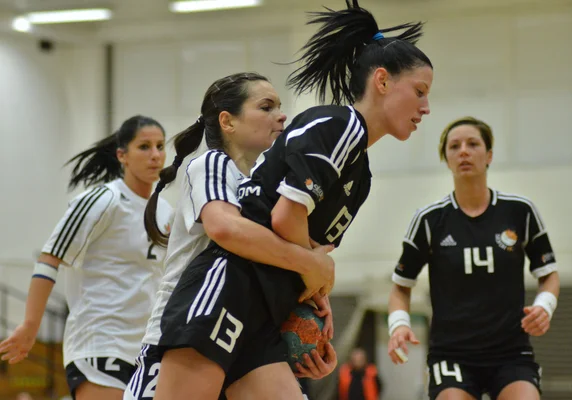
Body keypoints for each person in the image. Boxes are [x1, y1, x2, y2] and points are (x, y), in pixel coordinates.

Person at [155, 0, 433, 399]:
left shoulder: (361, 173)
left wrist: (316, 312)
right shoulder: (337, 126)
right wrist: (317, 272)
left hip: (266, 309)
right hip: (229, 286)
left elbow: (306, 252)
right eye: (420, 91)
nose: (426, 107)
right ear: (383, 81)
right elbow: (287, 221)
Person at [124, 72, 336, 400]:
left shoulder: (271, 188)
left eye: (280, 107)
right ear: (228, 122)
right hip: (189, 330)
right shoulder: (212, 164)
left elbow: (272, 261)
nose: (281, 115)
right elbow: (226, 228)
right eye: (266, 107)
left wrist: (309, 323)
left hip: (242, 334)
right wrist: (310, 262)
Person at [0, 116, 173, 400]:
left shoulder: (166, 212)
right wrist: (30, 326)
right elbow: (49, 258)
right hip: (100, 343)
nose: (155, 155)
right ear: (122, 155)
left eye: (160, 146)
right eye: (144, 146)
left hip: (146, 348)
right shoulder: (102, 200)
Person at [387, 117, 560, 400]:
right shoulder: (430, 220)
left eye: (473, 144)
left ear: (489, 155)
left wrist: (545, 306)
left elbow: (548, 274)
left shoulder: (520, 211)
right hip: (452, 354)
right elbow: (400, 287)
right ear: (446, 159)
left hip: (511, 352)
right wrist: (399, 325)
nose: (464, 151)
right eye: (454, 146)